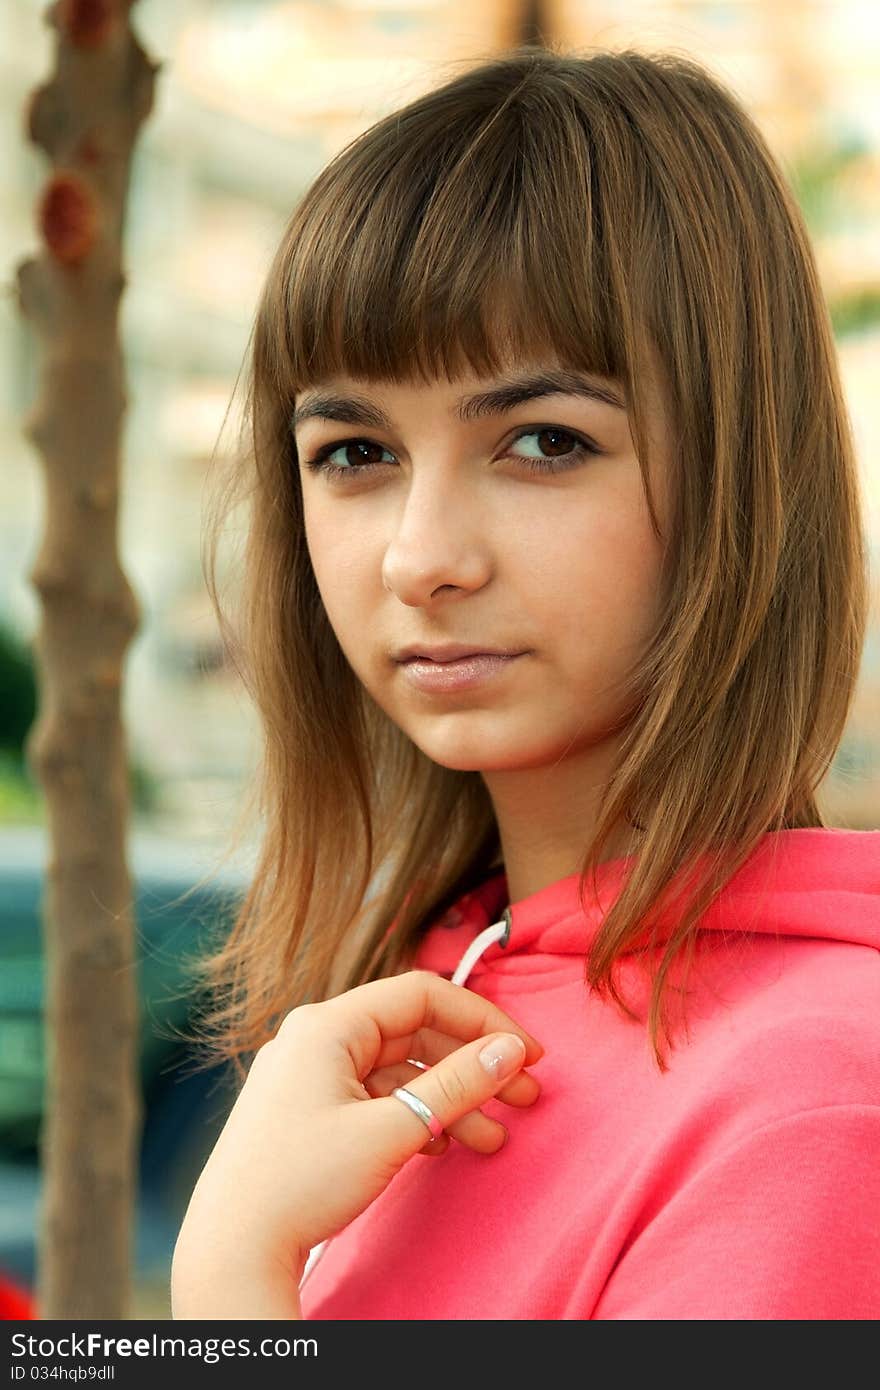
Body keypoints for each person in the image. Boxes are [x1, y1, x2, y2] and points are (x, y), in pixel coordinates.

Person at [170, 44, 880, 1320]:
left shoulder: (814, 1103)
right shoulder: (409, 998)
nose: (421, 557)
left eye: (544, 442)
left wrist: (229, 1297)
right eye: (354, 450)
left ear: (740, 473)